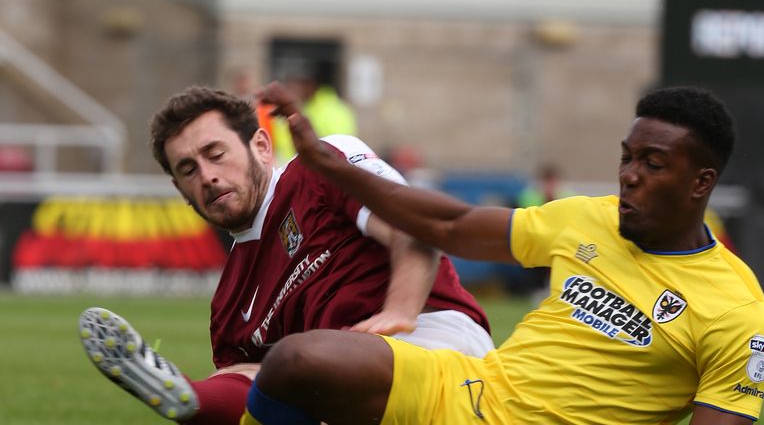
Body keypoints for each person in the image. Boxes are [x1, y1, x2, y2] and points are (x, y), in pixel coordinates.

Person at [240, 83, 764, 425]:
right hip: (469, 392)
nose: (630, 175)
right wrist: (326, 164)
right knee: (297, 360)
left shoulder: (738, 312)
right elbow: (450, 224)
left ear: (701, 182)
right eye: (628, 157)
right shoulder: (588, 217)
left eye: (654, 163)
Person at [77, 87, 493, 424]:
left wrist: (399, 311)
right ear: (180, 191)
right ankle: (190, 395)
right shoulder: (228, 306)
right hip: (346, 394)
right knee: (256, 381)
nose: (207, 176)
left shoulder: (319, 166)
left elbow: (412, 224)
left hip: (435, 349)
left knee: (293, 361)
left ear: (260, 145)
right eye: (188, 170)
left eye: (215, 154)